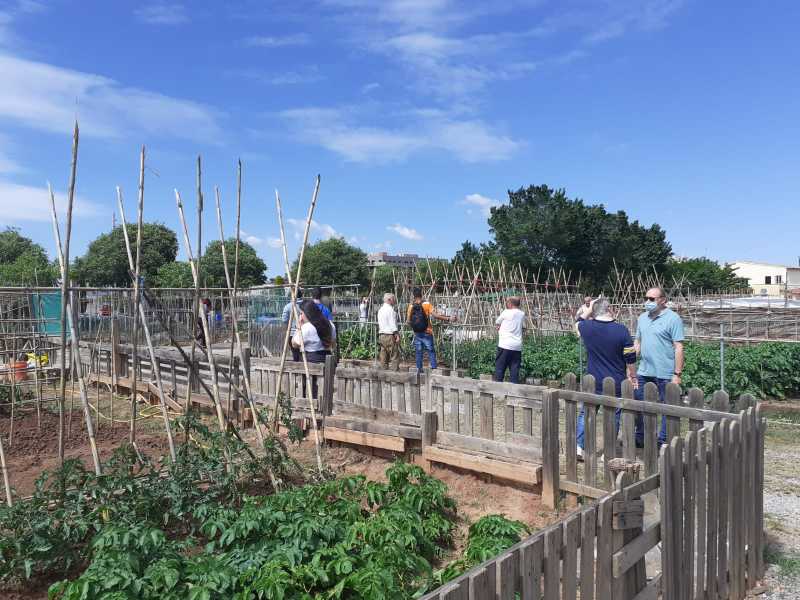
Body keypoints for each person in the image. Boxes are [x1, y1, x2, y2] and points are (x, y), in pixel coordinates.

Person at [575, 297, 638, 458]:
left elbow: (577, 321)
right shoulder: (621, 330)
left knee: (587, 413)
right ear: (609, 309)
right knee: (613, 415)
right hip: (615, 381)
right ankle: (608, 452)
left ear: (594, 311)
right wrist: (633, 375)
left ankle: (579, 447)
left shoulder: (586, 327)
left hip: (593, 380)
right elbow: (630, 358)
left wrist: (589, 309)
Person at [634, 287, 685, 445]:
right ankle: (641, 437)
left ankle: (663, 440)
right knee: (640, 405)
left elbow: (679, 347)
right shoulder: (642, 318)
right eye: (646, 298)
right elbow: (637, 342)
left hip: (665, 371)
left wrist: (677, 374)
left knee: (667, 408)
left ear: (663, 300)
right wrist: (630, 365)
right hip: (643, 370)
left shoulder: (673, 318)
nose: (647, 302)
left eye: (651, 299)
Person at [406, 287, 454, 372]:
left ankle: (419, 369)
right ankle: (433, 368)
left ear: (413, 296)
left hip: (417, 333)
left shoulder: (411, 306)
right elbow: (436, 316)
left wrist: (415, 326)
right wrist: (448, 318)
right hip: (427, 331)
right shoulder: (427, 304)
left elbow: (408, 321)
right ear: (421, 294)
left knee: (418, 351)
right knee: (431, 350)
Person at [494, 297, 525, 383]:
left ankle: (498, 389)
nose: (506, 304)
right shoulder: (522, 314)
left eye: (507, 302)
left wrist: (499, 326)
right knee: (514, 369)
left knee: (500, 368)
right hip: (517, 346)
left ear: (510, 304)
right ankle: (513, 391)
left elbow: (497, 321)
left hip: (505, 344)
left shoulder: (506, 312)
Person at [377, 293, 400, 371]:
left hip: (381, 334)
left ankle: (383, 373)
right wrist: (396, 334)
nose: (394, 301)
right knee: (394, 355)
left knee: (383, 355)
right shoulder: (390, 310)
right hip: (390, 335)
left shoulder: (380, 310)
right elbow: (392, 323)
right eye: (393, 299)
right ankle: (394, 374)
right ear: (389, 300)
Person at [282, 288, 304, 361]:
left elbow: (284, 320)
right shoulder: (306, 305)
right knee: (305, 355)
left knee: (295, 355)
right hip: (306, 333)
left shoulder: (288, 307)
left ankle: (297, 369)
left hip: (292, 334)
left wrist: (286, 331)